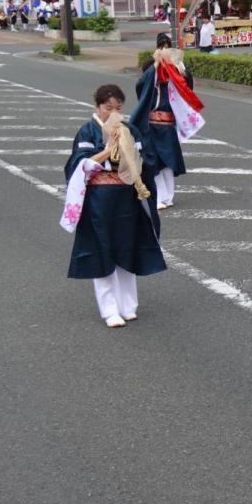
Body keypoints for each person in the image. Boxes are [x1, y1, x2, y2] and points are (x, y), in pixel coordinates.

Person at [60, 84, 166, 328]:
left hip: (127, 197)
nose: (113, 113)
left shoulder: (130, 130)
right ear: (97, 107)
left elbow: (146, 162)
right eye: (108, 108)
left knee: (128, 248)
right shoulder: (88, 131)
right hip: (98, 199)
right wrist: (108, 151)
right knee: (102, 250)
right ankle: (109, 309)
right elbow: (78, 164)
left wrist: (130, 154)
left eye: (118, 108)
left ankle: (128, 305)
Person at [132, 42, 203, 209]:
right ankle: (158, 198)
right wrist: (155, 64)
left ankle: (167, 197)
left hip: (166, 126)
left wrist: (173, 63)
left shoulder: (173, 82)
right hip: (153, 127)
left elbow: (186, 79)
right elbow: (142, 83)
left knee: (168, 163)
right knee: (153, 163)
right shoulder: (151, 83)